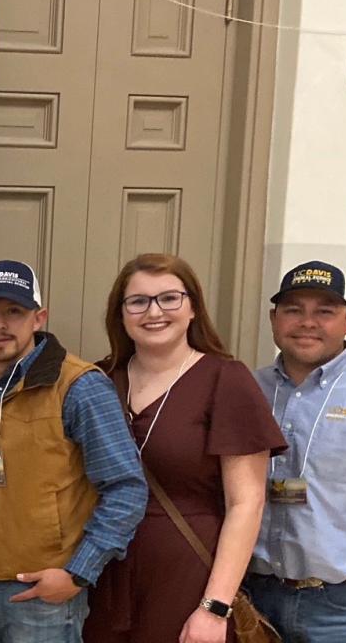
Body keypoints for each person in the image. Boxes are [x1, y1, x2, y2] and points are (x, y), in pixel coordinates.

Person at [0, 259, 147, 643]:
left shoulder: (78, 386)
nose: (0, 324)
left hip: (43, 594)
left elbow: (126, 488)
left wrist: (77, 574)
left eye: (14, 311)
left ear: (38, 318)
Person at [83, 253, 286, 643]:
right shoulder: (97, 380)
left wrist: (214, 607)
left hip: (189, 577)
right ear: (120, 314)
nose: (154, 312)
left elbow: (246, 503)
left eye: (169, 298)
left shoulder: (225, 380)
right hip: (102, 573)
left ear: (193, 307)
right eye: (138, 301)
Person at [244, 260, 346, 643]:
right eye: (294, 310)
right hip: (255, 599)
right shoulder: (248, 390)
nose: (307, 322)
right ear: (274, 319)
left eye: (324, 311)